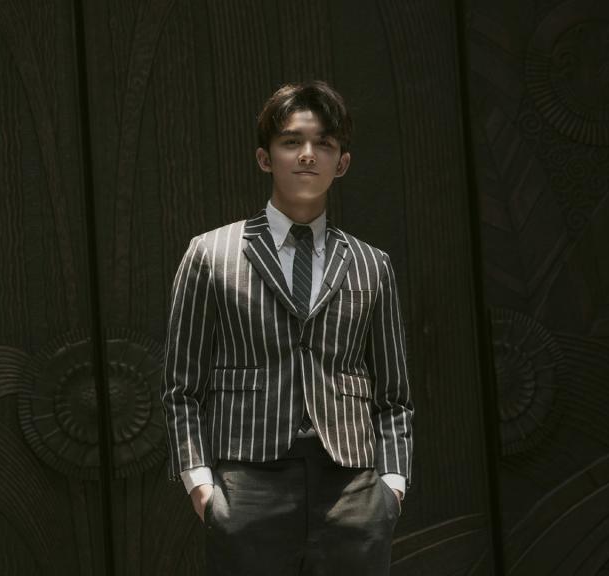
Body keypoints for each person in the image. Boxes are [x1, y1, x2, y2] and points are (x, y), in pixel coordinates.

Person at [161, 81, 413, 575]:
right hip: (247, 479)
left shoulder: (371, 264)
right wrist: (200, 484)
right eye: (291, 141)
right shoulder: (211, 254)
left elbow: (395, 393)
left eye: (324, 143)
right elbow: (180, 387)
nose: (308, 154)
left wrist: (393, 485)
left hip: (353, 484)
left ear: (342, 163)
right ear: (264, 157)